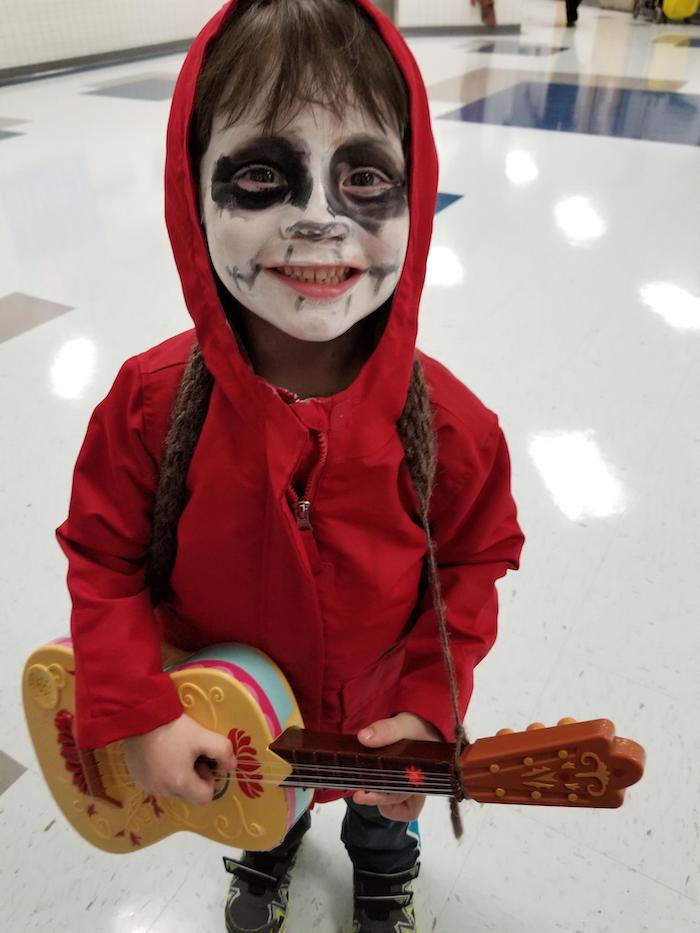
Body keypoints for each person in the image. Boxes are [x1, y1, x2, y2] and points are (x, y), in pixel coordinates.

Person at [56, 1, 524, 931]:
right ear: (192, 193)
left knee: (380, 822)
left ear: (414, 188)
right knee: (259, 804)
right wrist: (140, 708)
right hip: (227, 716)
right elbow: (103, 555)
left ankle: (385, 868)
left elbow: (473, 562)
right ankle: (263, 850)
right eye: (264, 174)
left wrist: (432, 704)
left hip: (379, 716)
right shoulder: (150, 405)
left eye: (363, 176)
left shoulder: (456, 428)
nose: (318, 220)